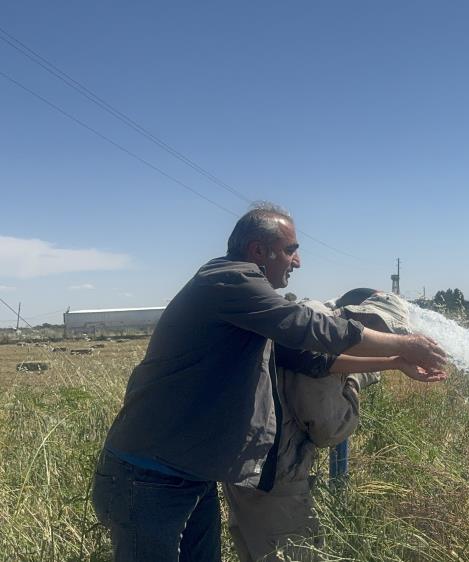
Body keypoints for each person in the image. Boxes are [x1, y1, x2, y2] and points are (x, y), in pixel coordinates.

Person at [90, 203, 446, 562]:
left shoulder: (246, 305)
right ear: (258, 251)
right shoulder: (228, 280)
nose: (298, 261)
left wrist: (395, 362)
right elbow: (310, 327)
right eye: (291, 250)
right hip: (149, 478)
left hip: (190, 475)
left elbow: (307, 356)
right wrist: (402, 342)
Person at [222, 289, 416, 562]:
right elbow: (328, 428)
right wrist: (356, 380)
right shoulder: (324, 339)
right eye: (388, 336)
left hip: (245, 465)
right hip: (277, 475)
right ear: (371, 324)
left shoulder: (310, 320)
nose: (388, 343)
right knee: (296, 553)